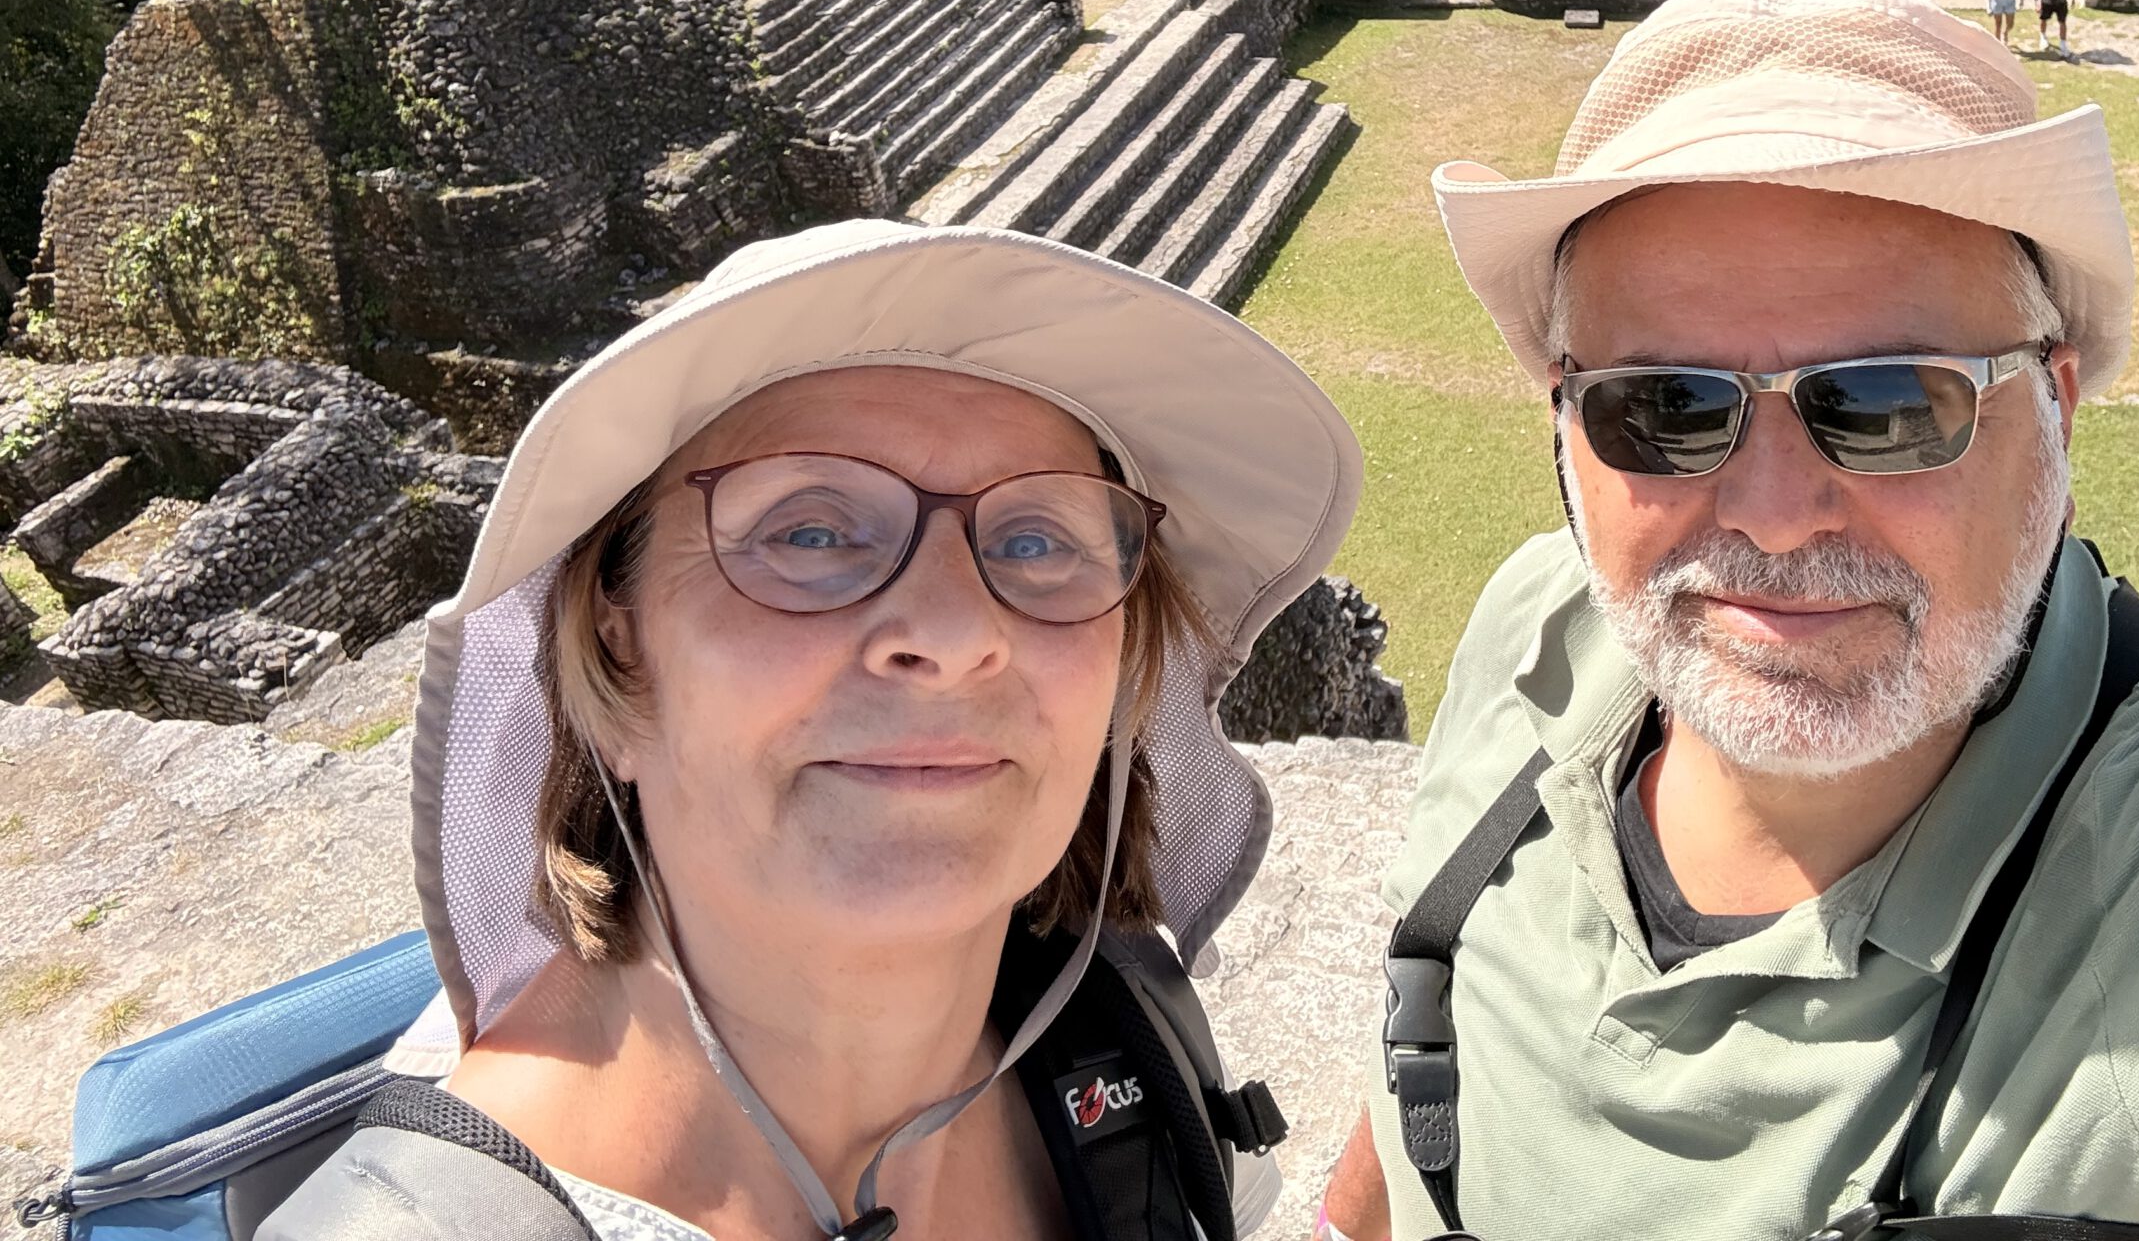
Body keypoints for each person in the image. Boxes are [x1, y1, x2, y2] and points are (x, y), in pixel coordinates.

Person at [1320, 0, 2139, 1241]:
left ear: (2055, 412)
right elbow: (1442, 1018)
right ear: (1564, 429)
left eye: (1888, 405)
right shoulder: (1538, 626)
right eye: (1664, 408)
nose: (1774, 515)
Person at [263, 218, 1362, 1241]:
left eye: (1037, 541)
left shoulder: (1129, 1058)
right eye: (811, 532)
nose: (951, 634)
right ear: (619, 647)